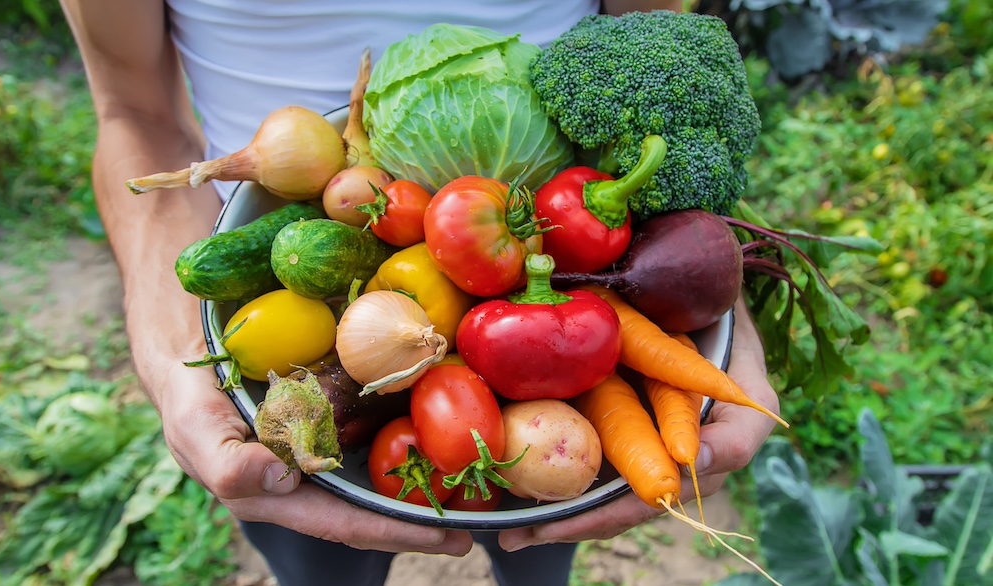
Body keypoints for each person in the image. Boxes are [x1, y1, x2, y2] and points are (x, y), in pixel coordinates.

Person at [59, 1, 781, 585]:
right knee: (318, 565)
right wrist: (166, 356)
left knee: (544, 535)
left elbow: (656, 80)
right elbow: (133, 113)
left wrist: (709, 282)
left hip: (574, 227)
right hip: (298, 210)